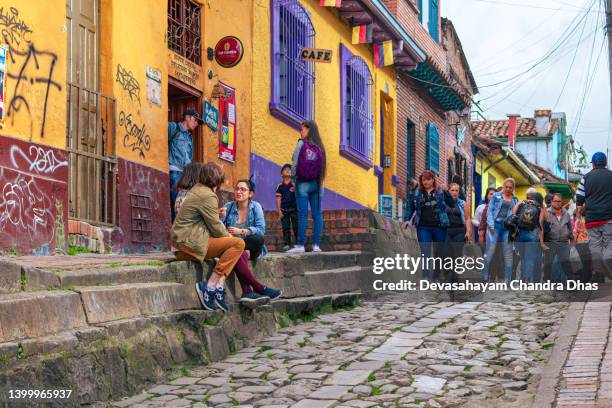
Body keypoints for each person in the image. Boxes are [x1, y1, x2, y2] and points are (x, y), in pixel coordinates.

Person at [171, 162, 242, 312]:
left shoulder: (197, 190)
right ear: (217, 180)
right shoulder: (208, 195)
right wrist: (229, 236)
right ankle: (210, 286)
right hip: (189, 244)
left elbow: (205, 219)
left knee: (232, 247)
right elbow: (216, 228)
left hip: (181, 244)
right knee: (238, 244)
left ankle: (219, 284)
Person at [287, 120, 326, 254]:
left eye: (302, 129)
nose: (300, 132)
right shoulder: (320, 146)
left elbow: (294, 161)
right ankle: (316, 245)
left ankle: (300, 245)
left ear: (308, 130)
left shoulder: (301, 143)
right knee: (317, 215)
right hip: (318, 184)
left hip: (302, 183)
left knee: (303, 214)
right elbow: (322, 168)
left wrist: (292, 179)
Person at [411, 170, 455, 282]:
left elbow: (452, 204)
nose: (425, 182)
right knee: (425, 251)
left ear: (433, 179)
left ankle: (436, 276)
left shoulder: (440, 191)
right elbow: (411, 207)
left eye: (428, 179)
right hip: (423, 227)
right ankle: (425, 277)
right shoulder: (417, 192)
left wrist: (447, 192)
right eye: (423, 180)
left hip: (440, 226)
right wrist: (408, 219)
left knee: (438, 253)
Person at [576, 152, 612, 281]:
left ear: (593, 164)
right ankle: (607, 261)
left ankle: (599, 272)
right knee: (609, 243)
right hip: (609, 218)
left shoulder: (586, 177)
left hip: (592, 219)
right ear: (605, 163)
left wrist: (579, 217)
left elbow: (579, 199)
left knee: (595, 246)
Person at [168, 109, 203, 221]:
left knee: (184, 203)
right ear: (187, 117)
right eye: (195, 120)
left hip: (186, 175)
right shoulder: (173, 128)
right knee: (176, 202)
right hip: (174, 172)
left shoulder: (189, 137)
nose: (196, 124)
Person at [483, 178, 519, 284]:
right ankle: (485, 278)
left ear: (513, 188)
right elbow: (489, 211)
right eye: (506, 187)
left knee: (507, 253)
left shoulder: (515, 199)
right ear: (503, 186)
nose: (508, 189)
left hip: (506, 228)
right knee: (490, 251)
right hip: (494, 226)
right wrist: (491, 225)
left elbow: (514, 215)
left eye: (510, 187)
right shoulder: (496, 196)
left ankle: (507, 280)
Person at [222, 179, 267, 261]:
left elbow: (261, 230)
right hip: (232, 243)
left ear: (250, 194)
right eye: (236, 189)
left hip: (249, 245)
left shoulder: (256, 207)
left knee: (258, 239)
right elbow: (217, 226)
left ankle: (241, 253)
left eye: (243, 189)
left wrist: (241, 231)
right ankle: (242, 254)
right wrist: (226, 232)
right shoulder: (228, 206)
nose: (238, 192)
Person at [513, 189, 546, 283]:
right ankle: (527, 279)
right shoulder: (540, 208)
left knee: (523, 258)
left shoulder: (522, 204)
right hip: (532, 235)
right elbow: (540, 225)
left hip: (521, 234)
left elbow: (513, 214)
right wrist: (542, 242)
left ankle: (523, 278)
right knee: (530, 258)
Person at [543, 193, 574, 283]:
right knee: (548, 264)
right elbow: (542, 228)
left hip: (564, 243)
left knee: (566, 264)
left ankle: (571, 283)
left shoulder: (566, 213)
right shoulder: (546, 213)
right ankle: (546, 282)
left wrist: (571, 237)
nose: (557, 203)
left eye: (559, 201)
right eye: (555, 201)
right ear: (552, 202)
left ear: (562, 202)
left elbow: (569, 227)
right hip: (551, 242)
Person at [444, 183, 471, 283]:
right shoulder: (443, 202)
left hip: (459, 230)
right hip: (447, 230)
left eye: (456, 191)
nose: (454, 192)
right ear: (448, 191)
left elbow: (468, 219)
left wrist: (468, 232)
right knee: (446, 255)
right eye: (452, 190)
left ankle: (454, 279)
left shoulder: (462, 203)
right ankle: (448, 276)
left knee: (457, 255)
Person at [276, 164, 298, 251]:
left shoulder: (294, 184)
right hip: (284, 210)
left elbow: (298, 195)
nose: (288, 170)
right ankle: (287, 244)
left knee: (296, 226)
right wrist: (279, 211)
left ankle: (298, 243)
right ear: (281, 174)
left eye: (289, 169)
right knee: (285, 228)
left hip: (294, 209)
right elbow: (278, 198)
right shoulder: (280, 186)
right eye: (285, 169)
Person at [572, 210, 592, 282]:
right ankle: (589, 276)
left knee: (583, 262)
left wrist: (573, 245)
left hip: (580, 243)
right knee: (589, 262)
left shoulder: (579, 220)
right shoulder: (592, 219)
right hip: (590, 242)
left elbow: (575, 232)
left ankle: (584, 279)